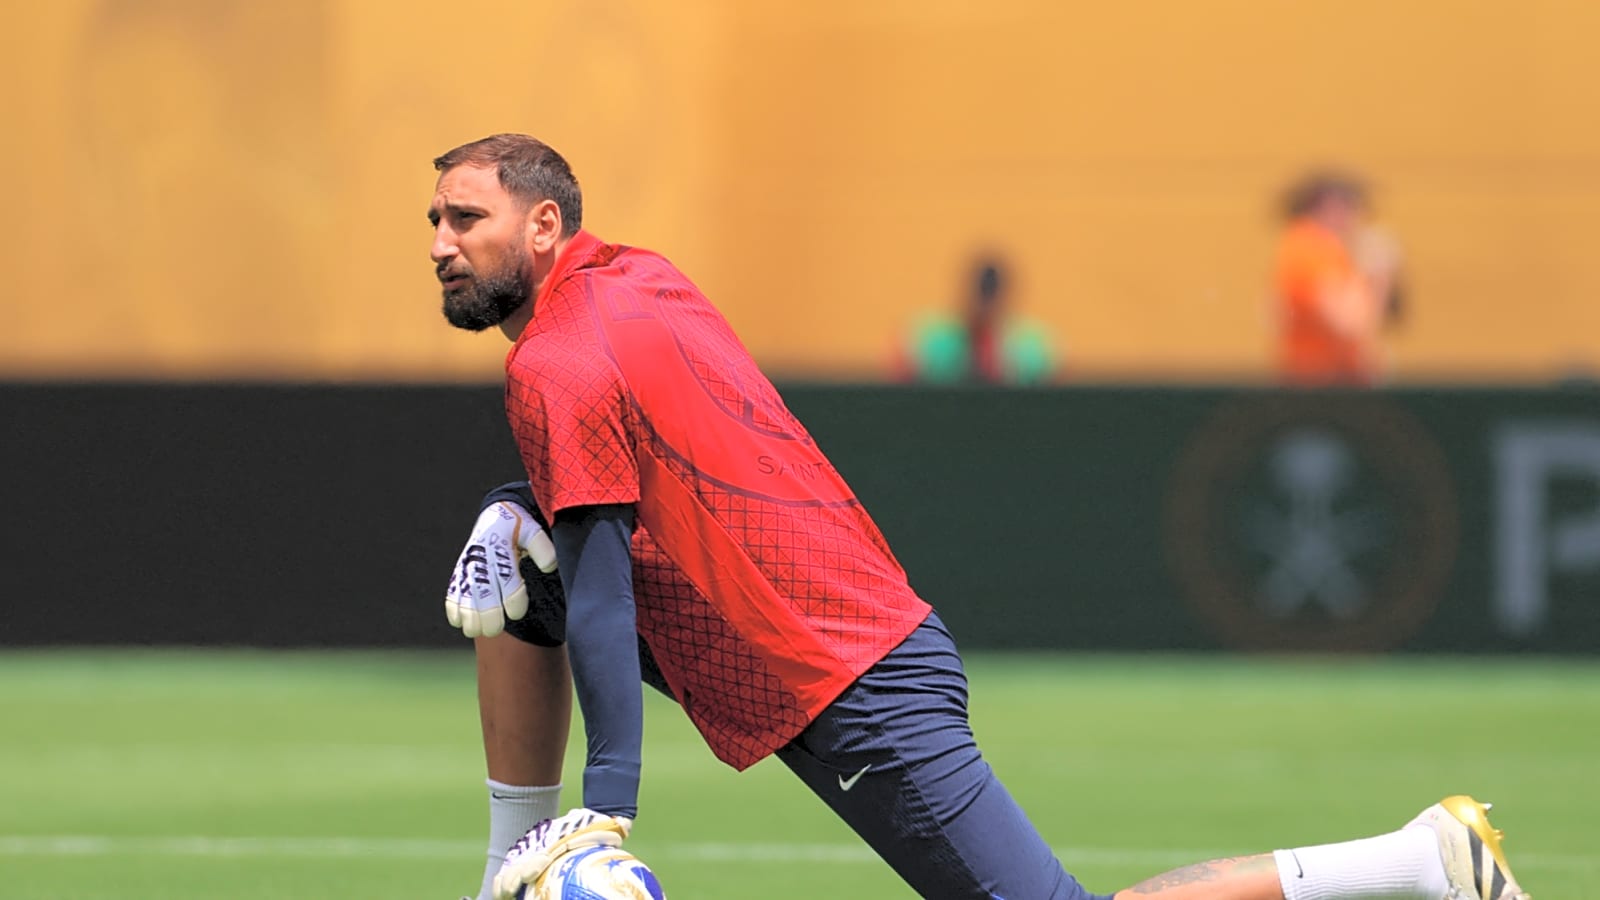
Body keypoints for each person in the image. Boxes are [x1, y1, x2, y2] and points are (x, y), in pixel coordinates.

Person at [427, 133, 1529, 900]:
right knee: (515, 555)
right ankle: (507, 873)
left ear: (543, 226)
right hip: (787, 634)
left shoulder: (559, 365)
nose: (437, 241)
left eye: (463, 219)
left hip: (850, 672)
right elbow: (597, 545)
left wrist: (609, 801)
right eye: (433, 218)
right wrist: (513, 517)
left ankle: (1418, 862)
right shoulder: (637, 276)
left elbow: (608, 582)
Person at [1272, 170, 1406, 387]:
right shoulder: (1310, 249)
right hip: (1322, 383)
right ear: (1332, 208)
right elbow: (1350, 324)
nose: (1358, 221)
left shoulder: (1327, 251)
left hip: (1332, 380)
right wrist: (1379, 274)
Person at [892, 255, 1058, 385]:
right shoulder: (936, 341)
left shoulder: (1028, 346)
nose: (985, 305)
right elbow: (904, 372)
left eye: (991, 294)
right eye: (980, 293)